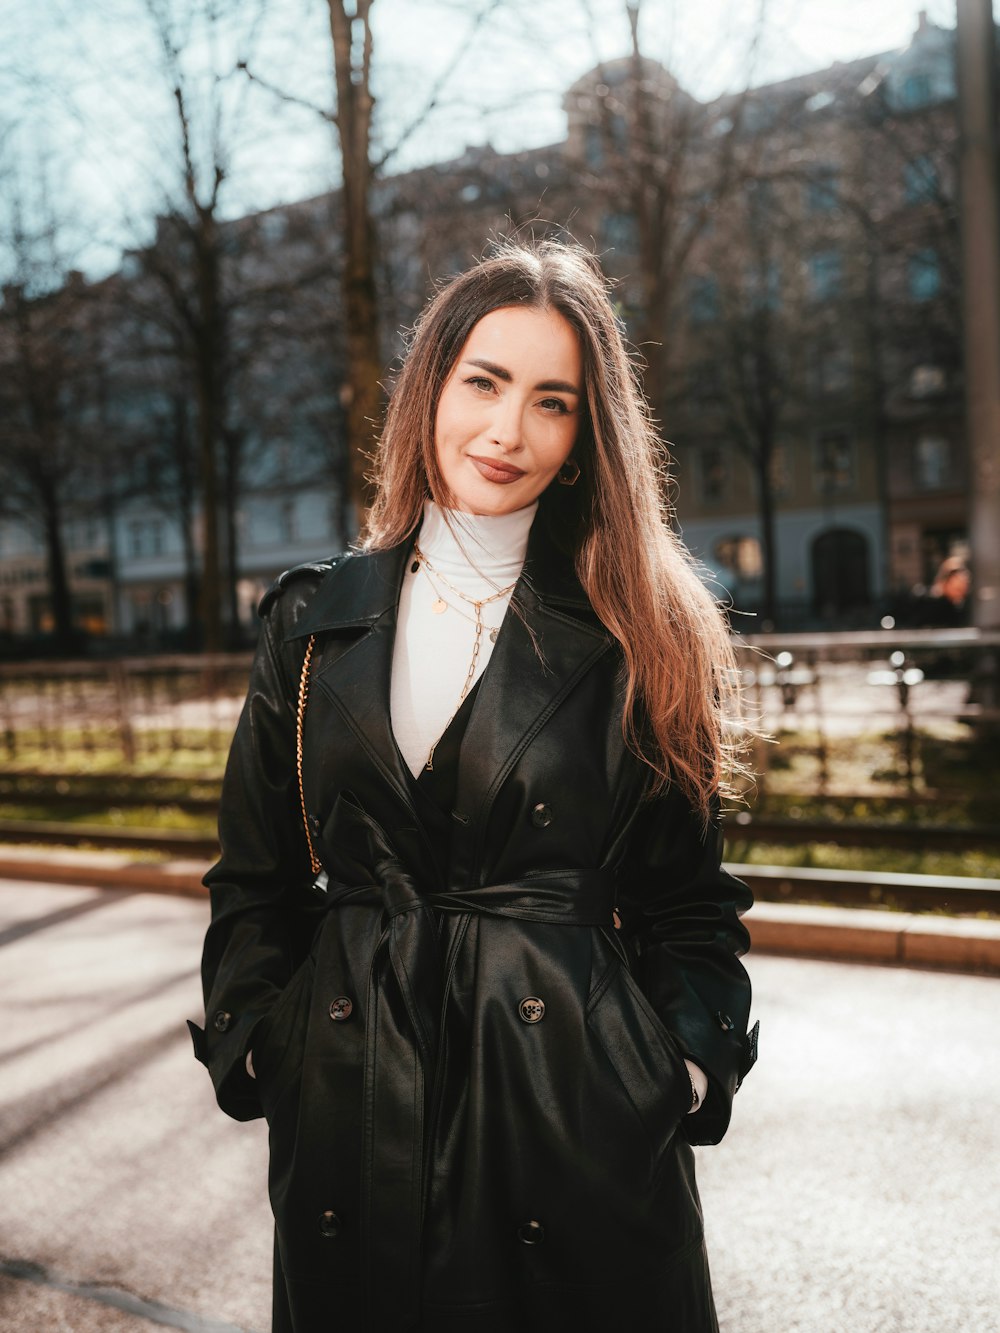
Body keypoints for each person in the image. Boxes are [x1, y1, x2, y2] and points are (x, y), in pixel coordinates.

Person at [189, 240, 759, 1333]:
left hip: (574, 1115)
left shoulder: (644, 629)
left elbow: (692, 903)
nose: (507, 432)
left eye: (552, 402)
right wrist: (267, 1040)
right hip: (355, 1111)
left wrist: (673, 1069)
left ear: (586, 436)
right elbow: (252, 879)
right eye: (484, 383)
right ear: (431, 385)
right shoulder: (312, 621)